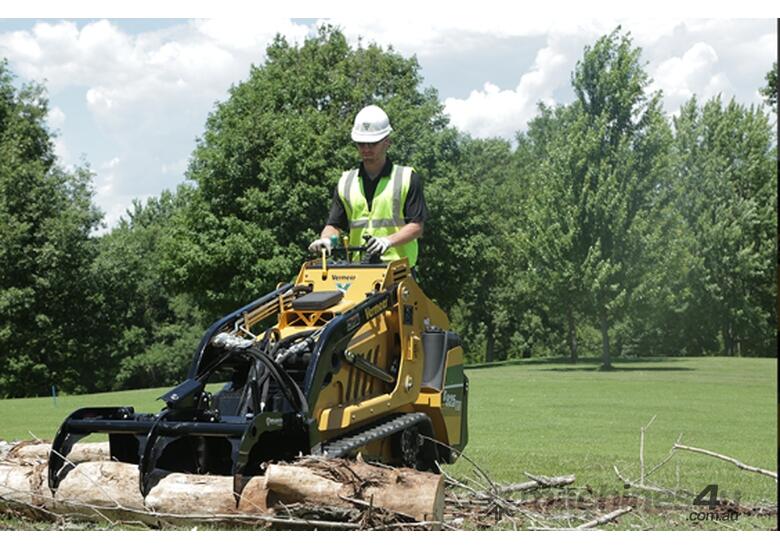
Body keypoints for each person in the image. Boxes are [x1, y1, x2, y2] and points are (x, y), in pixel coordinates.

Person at [308, 105, 427, 268]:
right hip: (358, 271)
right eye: (361, 143)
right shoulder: (346, 182)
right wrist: (327, 239)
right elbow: (334, 225)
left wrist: (388, 241)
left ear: (387, 142)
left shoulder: (406, 178)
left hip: (398, 271)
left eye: (372, 143)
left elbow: (417, 226)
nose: (366, 148)